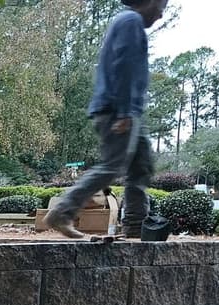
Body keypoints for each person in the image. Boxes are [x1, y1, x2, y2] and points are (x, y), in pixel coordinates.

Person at [45, 0, 168, 239]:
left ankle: (135, 225)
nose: (161, 16)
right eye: (162, 9)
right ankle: (62, 211)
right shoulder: (130, 21)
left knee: (141, 167)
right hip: (118, 109)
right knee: (113, 166)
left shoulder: (129, 23)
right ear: (151, 2)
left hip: (130, 111)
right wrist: (123, 112)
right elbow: (124, 68)